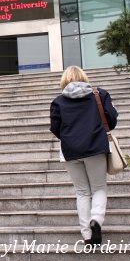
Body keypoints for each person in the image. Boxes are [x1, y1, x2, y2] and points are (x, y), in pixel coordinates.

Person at [50, 66, 118, 246]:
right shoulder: (99, 94)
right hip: (95, 147)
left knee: (81, 192)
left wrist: (71, 139)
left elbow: (55, 128)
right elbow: (112, 118)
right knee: (98, 188)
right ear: (84, 77)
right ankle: (96, 219)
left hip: (71, 151)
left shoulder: (58, 101)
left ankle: (87, 236)